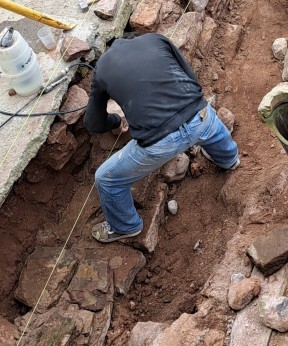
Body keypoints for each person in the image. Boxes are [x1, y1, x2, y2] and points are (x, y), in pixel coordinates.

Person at [84, 33, 239, 244]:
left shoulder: (102, 67)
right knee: (207, 118)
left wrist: (115, 120)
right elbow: (192, 80)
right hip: (200, 118)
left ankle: (125, 226)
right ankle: (229, 159)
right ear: (133, 39)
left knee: (105, 178)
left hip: (159, 143)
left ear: (110, 49)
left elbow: (93, 123)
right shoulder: (155, 39)